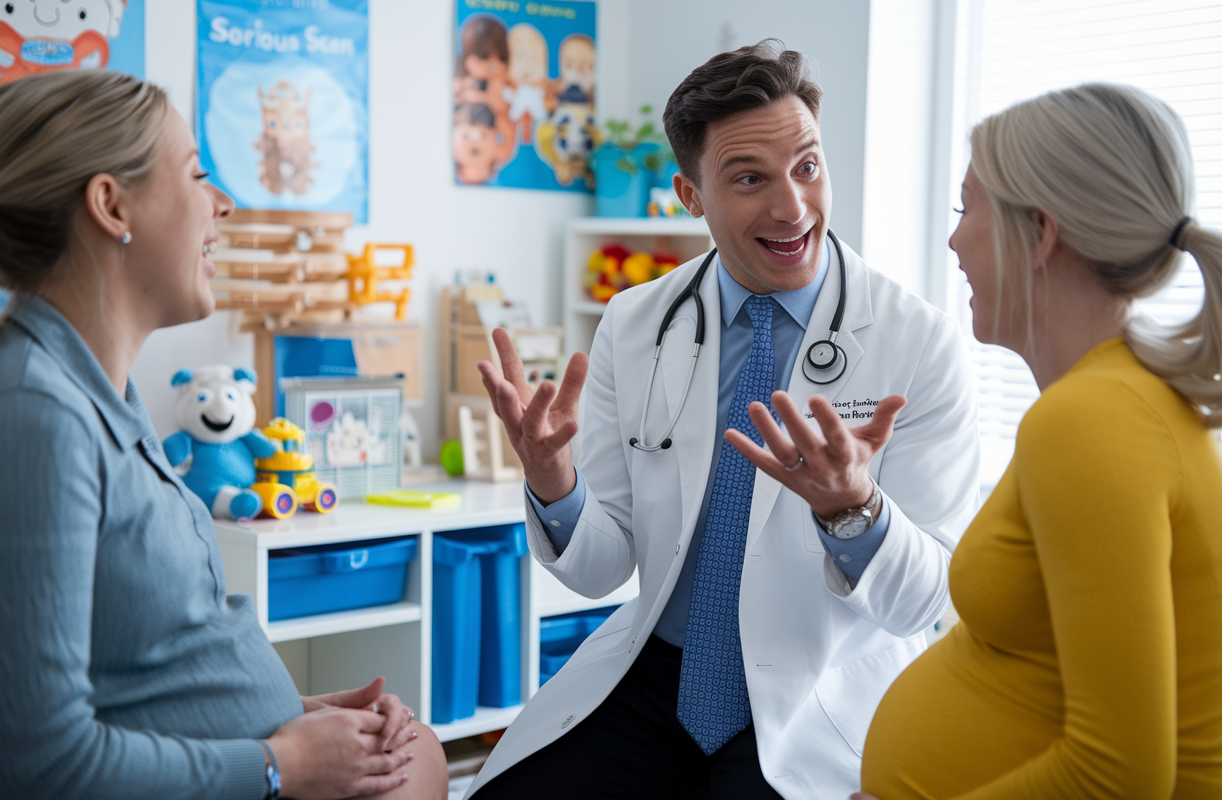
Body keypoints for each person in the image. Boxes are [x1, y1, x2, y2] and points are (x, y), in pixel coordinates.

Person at [466, 41, 981, 799]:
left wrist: (855, 511)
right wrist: (556, 483)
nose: (792, 207)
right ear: (690, 194)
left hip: (816, 692)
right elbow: (603, 567)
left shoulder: (917, 340)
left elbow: (930, 600)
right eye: (750, 179)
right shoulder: (637, 320)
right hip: (656, 680)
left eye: (807, 167)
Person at [0, 70, 447, 800]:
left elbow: (138, 668)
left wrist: (299, 722)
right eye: (198, 175)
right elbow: (41, 770)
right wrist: (281, 764)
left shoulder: (99, 391)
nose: (224, 204)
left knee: (415, 747)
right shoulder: (28, 417)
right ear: (112, 205)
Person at [856, 83, 1222, 800]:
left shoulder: (1092, 421)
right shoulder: (1117, 398)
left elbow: (1117, 775)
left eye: (967, 208)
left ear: (1041, 232)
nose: (955, 239)